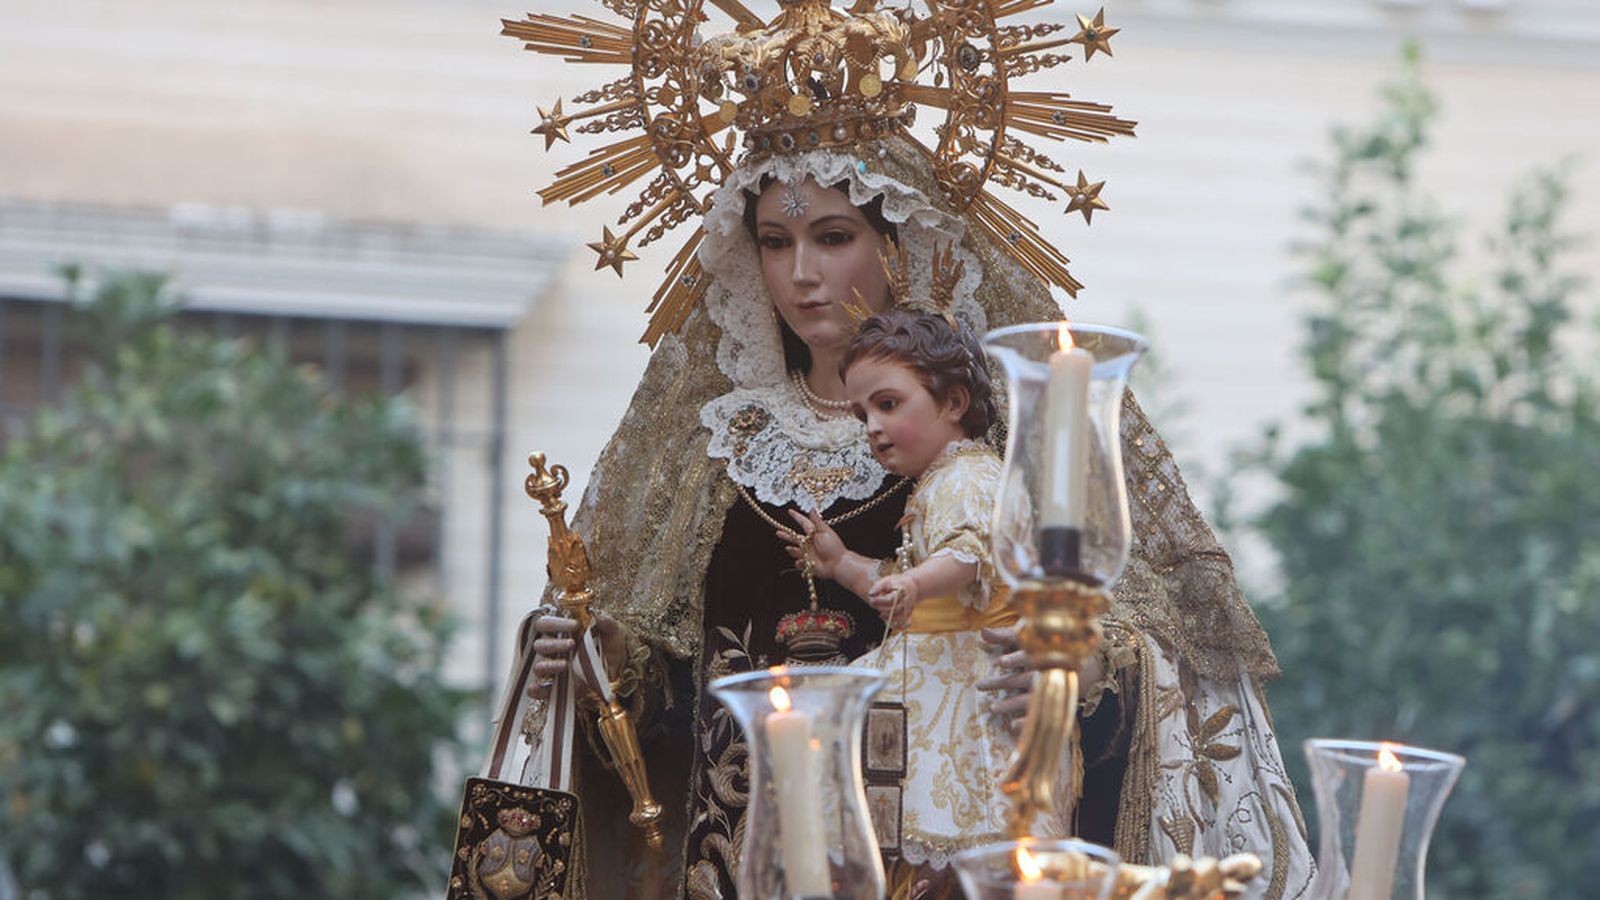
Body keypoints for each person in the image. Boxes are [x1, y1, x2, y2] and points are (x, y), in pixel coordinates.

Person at [496, 1, 1316, 896]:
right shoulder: (710, 451)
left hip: (944, 849)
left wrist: (1075, 673)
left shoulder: (994, 439)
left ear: (901, 241)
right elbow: (662, 705)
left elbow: (1142, 650)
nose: (801, 274)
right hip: (747, 864)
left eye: (833, 237)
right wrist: (607, 665)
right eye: (776, 242)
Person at [789, 307, 1077, 884]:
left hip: (967, 692)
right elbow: (912, 587)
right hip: (934, 671)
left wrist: (915, 582)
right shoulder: (941, 482)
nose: (871, 425)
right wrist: (842, 563)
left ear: (953, 403)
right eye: (862, 412)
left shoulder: (971, 476)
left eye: (888, 404)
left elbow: (971, 553)